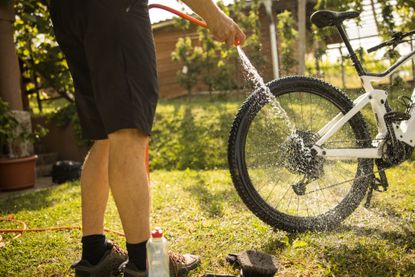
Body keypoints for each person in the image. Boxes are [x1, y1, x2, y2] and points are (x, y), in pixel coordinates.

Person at [49, 0, 246, 276]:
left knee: (105, 137)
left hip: (67, 11)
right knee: (127, 132)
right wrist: (215, 16)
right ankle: (146, 262)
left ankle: (94, 253)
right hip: (114, 9)